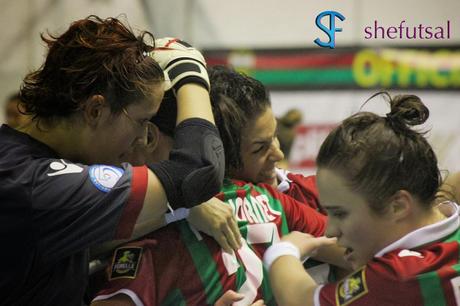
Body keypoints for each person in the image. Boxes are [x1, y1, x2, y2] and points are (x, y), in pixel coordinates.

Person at [0, 17, 227, 305]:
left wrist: (177, 210)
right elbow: (198, 171)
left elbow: (87, 245)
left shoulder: (19, 162)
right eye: (142, 121)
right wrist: (190, 72)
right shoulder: (39, 186)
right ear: (96, 110)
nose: (143, 138)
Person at [90, 66, 347, 306]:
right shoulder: (271, 200)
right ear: (222, 153)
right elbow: (358, 248)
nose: (278, 153)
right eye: (259, 147)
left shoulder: (153, 233)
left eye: (275, 137)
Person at [265, 92, 460, 306]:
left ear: (398, 206)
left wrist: (282, 252)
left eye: (341, 213)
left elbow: (300, 301)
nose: (330, 230)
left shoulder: (401, 276)